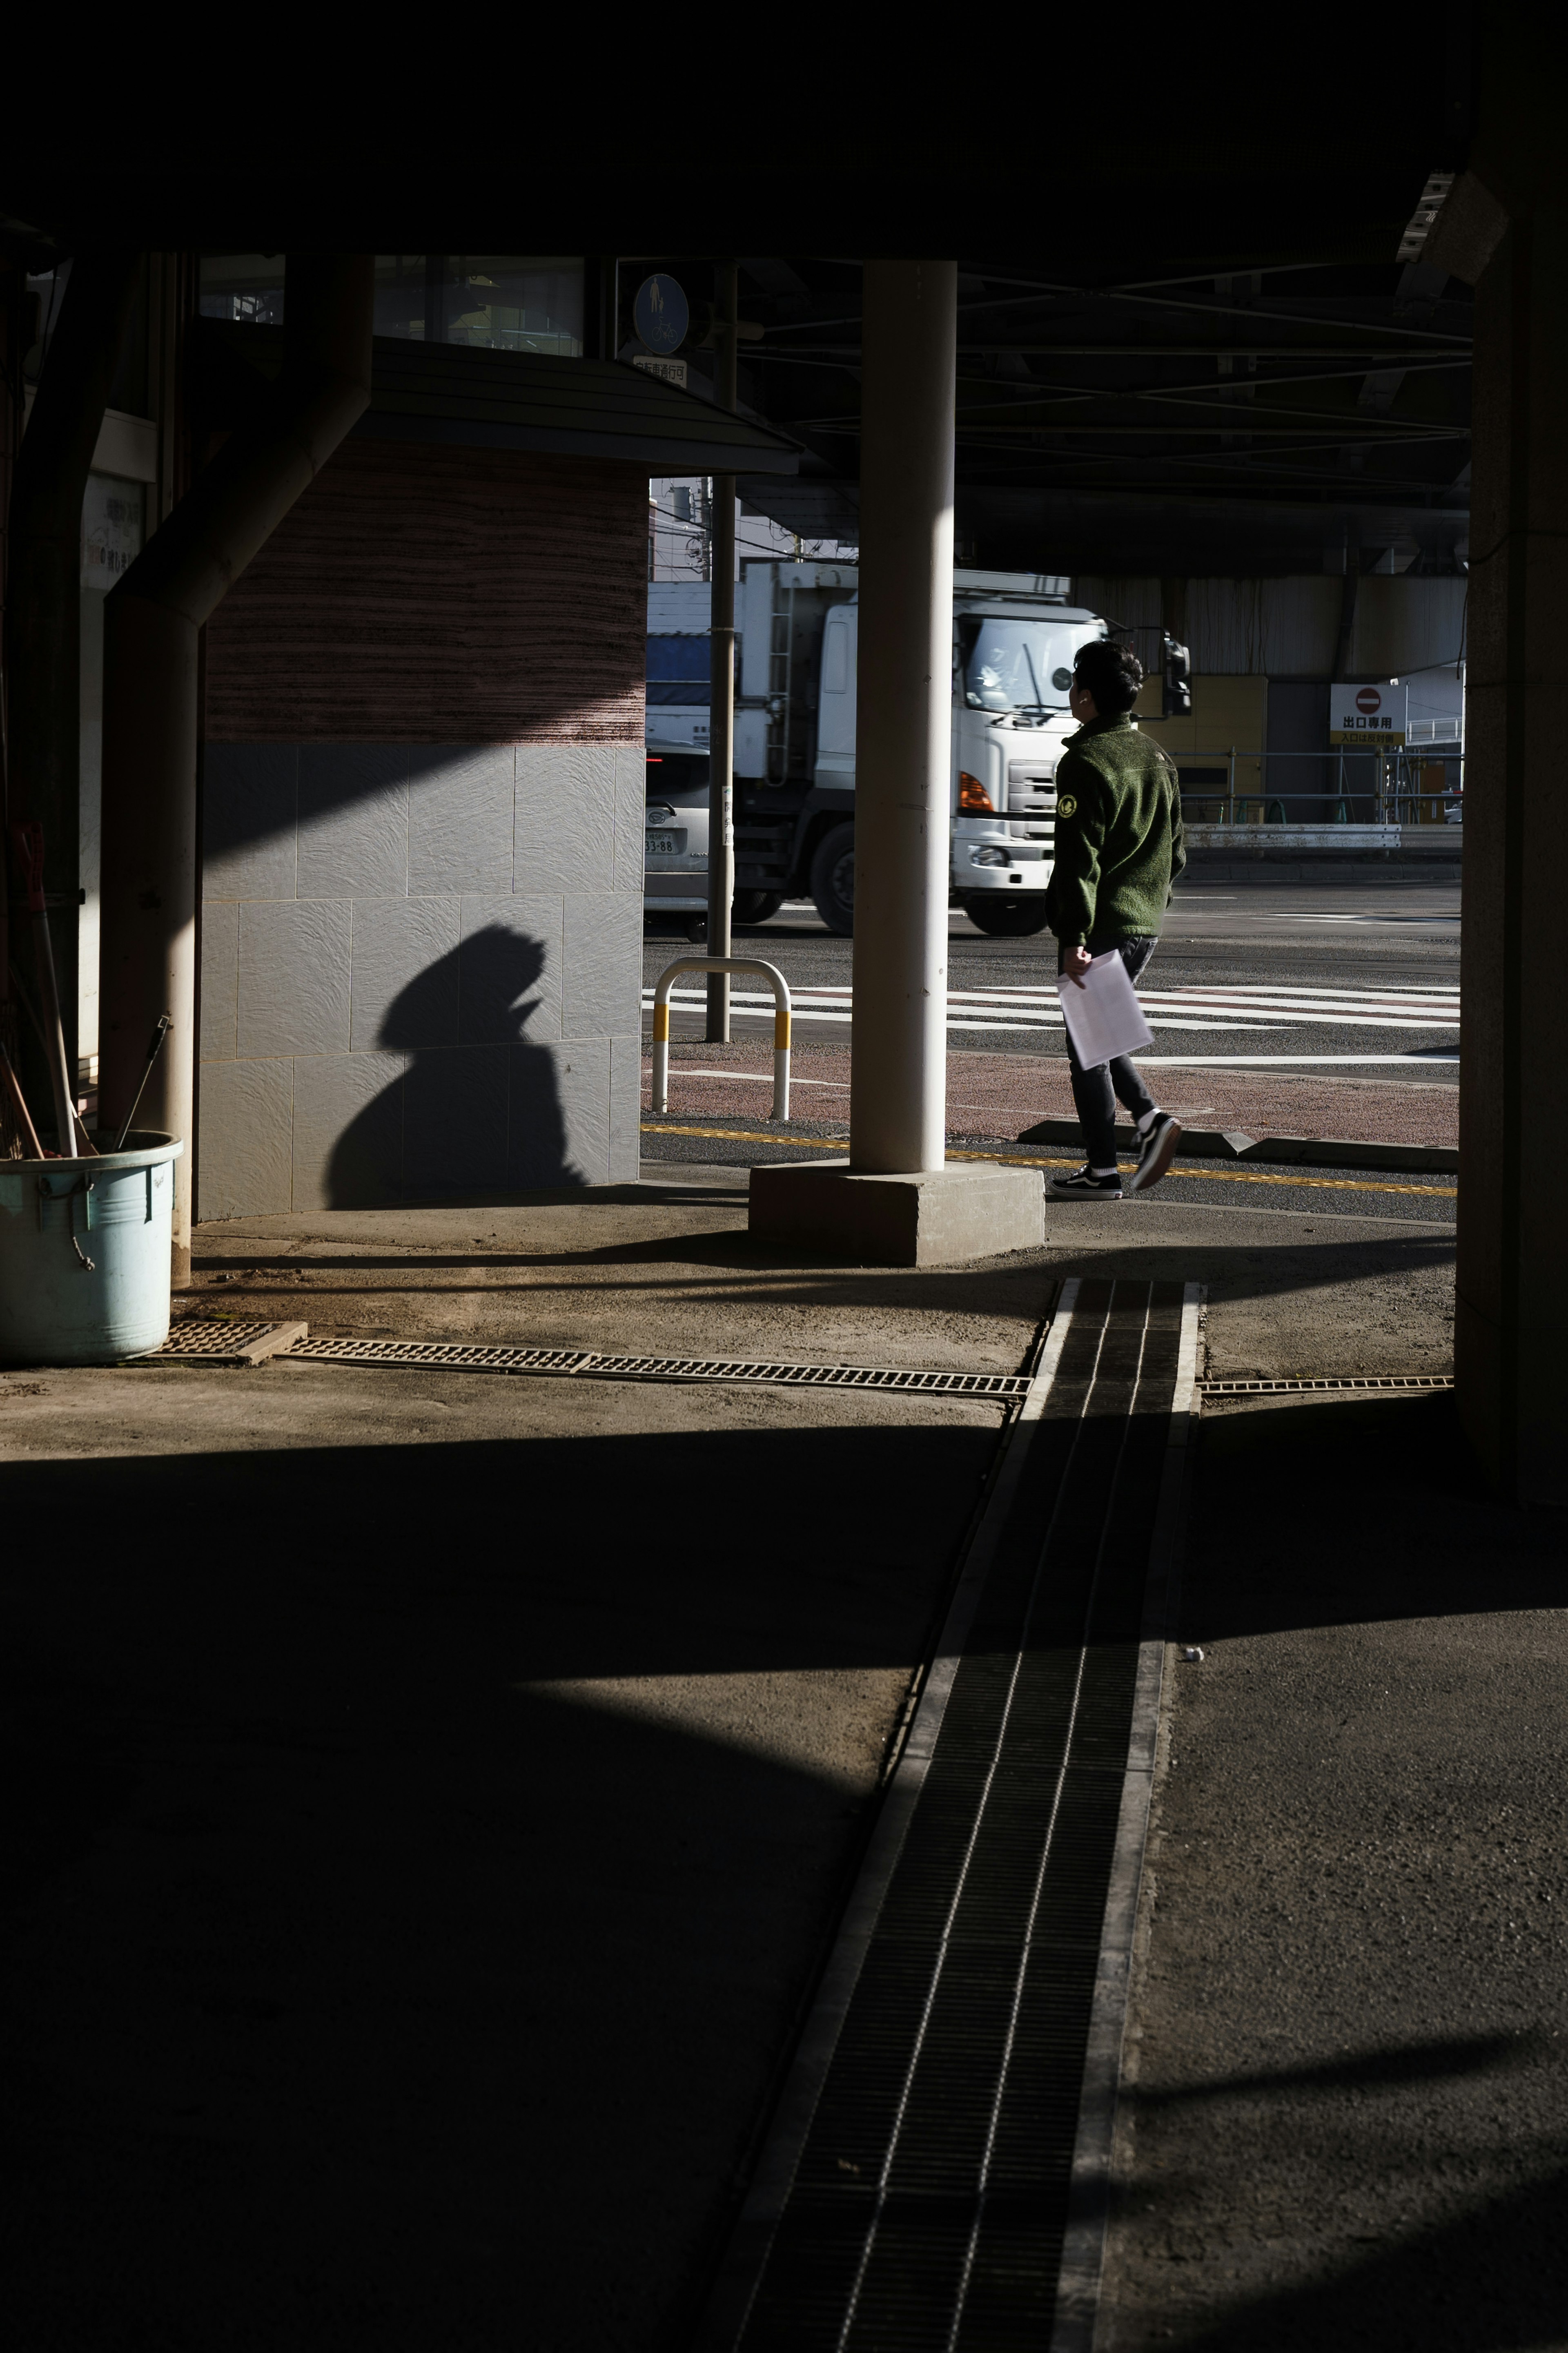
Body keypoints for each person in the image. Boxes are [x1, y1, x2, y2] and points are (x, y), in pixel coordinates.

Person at [1041, 639, 1185, 1198]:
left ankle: (1118, 1155)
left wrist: (1073, 936)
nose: (1072, 692)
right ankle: (1141, 1130)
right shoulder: (1158, 757)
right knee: (1096, 1036)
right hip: (1144, 922)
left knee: (1086, 1046)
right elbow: (1177, 852)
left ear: (1087, 696)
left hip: (1102, 921)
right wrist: (1151, 903)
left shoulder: (1085, 762)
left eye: (1076, 683)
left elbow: (1080, 860)